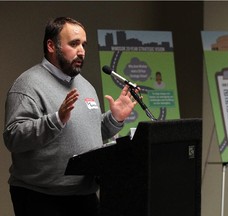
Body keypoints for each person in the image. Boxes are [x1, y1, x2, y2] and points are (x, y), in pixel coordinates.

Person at [2, 17, 138, 216]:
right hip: (41, 197)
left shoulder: (84, 85)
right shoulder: (28, 85)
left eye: (84, 44)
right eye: (74, 44)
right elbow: (13, 138)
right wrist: (56, 120)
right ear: (51, 46)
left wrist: (114, 119)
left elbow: (89, 134)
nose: (81, 51)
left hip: (85, 194)